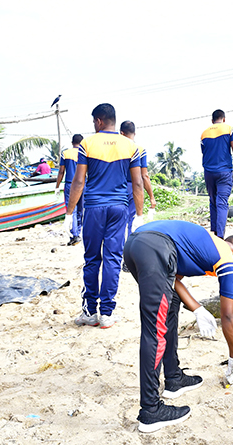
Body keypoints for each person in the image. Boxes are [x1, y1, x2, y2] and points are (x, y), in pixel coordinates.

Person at [123, 220, 233, 433]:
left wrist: (196, 308)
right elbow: (229, 314)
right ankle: (150, 411)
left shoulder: (202, 245)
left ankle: (174, 378)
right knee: (154, 330)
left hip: (137, 244)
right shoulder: (227, 259)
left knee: (171, 304)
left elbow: (172, 280)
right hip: (155, 247)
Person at [64, 103, 144, 329]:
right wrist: (139, 213)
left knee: (92, 259)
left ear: (99, 121)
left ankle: (90, 311)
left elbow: (79, 181)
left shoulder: (87, 144)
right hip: (119, 209)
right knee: (112, 259)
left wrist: (69, 213)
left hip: (94, 208)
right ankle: (107, 313)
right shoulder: (130, 145)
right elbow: (137, 182)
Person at [200, 109, 233, 238]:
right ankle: (220, 237)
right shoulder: (229, 129)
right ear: (224, 119)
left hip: (209, 172)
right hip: (224, 172)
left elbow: (204, 152)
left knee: (213, 202)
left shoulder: (204, 134)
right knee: (222, 202)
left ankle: (213, 234)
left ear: (212, 121)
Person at [119, 120, 156, 236]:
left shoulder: (117, 149)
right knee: (133, 220)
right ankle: (130, 248)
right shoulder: (140, 149)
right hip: (134, 187)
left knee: (117, 221)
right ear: (134, 133)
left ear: (121, 133)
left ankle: (117, 250)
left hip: (117, 187)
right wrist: (151, 197)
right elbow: (144, 176)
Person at [55, 134, 84, 246]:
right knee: (81, 209)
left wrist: (57, 186)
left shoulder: (66, 153)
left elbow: (61, 171)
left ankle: (75, 234)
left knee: (73, 209)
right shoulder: (84, 153)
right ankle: (78, 232)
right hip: (83, 184)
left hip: (70, 184)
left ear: (72, 142)